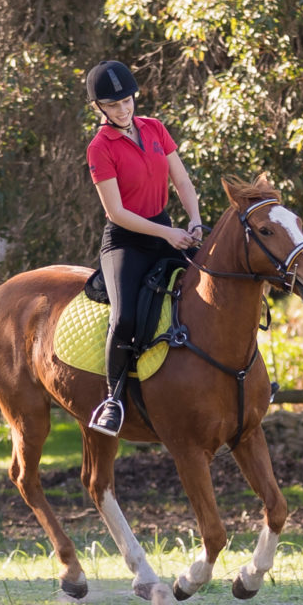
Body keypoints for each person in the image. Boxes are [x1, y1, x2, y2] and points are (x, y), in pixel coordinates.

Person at [85, 60, 202, 437]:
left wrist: (195, 220)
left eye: (127, 100)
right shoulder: (99, 148)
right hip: (126, 241)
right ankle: (113, 399)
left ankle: (244, 377)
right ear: (99, 108)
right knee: (124, 320)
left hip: (166, 228)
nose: (123, 109)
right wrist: (167, 235)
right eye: (113, 104)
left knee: (220, 284)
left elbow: (182, 180)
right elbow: (115, 212)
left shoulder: (154, 129)